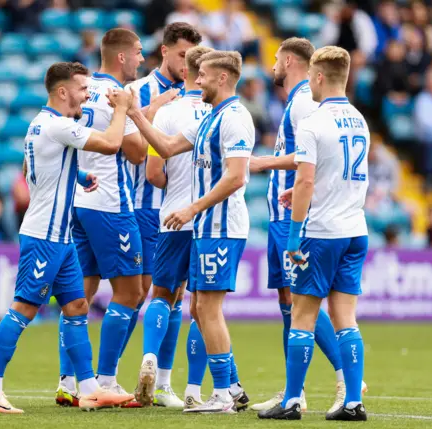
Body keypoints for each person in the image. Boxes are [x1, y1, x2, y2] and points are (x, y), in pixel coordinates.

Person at [0, 61, 136, 413]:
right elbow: (111, 144)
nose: (86, 95)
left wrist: (76, 177)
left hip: (61, 238)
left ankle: (90, 388)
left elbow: (32, 168)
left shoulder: (40, 125)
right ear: (63, 92)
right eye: (82, 89)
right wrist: (123, 108)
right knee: (25, 308)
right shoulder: (59, 124)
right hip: (44, 235)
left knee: (77, 307)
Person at [125, 50, 254, 414]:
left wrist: (192, 208)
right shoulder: (211, 118)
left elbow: (236, 176)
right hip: (203, 228)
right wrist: (136, 114)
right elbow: (164, 147)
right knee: (199, 307)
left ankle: (224, 393)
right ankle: (229, 386)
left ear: (223, 78)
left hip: (218, 225)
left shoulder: (235, 118)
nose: (197, 80)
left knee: (205, 308)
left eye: (205, 76)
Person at [248, 38, 363, 415]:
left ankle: (294, 398)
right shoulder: (359, 119)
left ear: (316, 76)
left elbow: (307, 179)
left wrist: (296, 232)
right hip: (355, 228)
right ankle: (351, 400)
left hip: (321, 229)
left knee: (301, 312)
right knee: (346, 316)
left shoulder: (312, 117)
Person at [55, 28, 150, 407]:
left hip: (79, 200)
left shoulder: (82, 88)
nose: (142, 60)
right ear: (122, 57)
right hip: (111, 203)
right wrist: (135, 112)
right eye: (139, 52)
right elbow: (138, 153)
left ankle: (68, 381)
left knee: (81, 294)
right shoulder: (118, 95)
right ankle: (106, 382)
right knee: (131, 292)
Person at [121, 22, 202, 366]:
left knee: (175, 294)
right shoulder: (138, 90)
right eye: (182, 55)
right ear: (165, 50)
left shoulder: (200, 93)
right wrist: (153, 109)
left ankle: (161, 378)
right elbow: (136, 155)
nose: (188, 63)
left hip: (181, 210)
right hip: (144, 206)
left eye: (192, 57)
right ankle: (106, 375)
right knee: (139, 294)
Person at [137, 45, 213, 409]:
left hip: (171, 216)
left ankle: (149, 357)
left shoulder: (167, 112)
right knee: (201, 306)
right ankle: (190, 389)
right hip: (210, 221)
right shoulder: (223, 112)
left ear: (186, 72)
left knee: (161, 295)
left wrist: (177, 182)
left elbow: (153, 173)